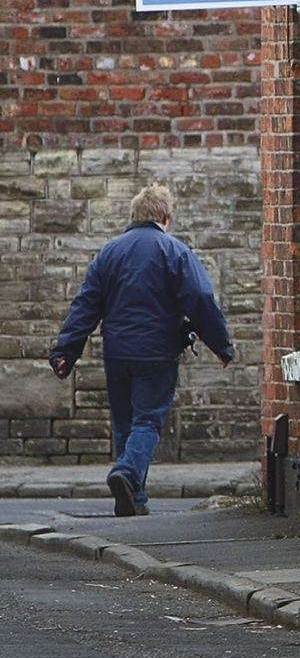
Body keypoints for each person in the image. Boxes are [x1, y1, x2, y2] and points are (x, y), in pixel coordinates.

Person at [49, 183, 234, 517]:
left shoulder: (109, 252)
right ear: (166, 217)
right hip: (156, 353)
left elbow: (86, 305)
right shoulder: (173, 250)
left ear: (134, 215)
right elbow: (201, 298)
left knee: (125, 424)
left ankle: (136, 498)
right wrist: (220, 345)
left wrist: (66, 350)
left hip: (116, 352)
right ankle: (128, 473)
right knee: (148, 422)